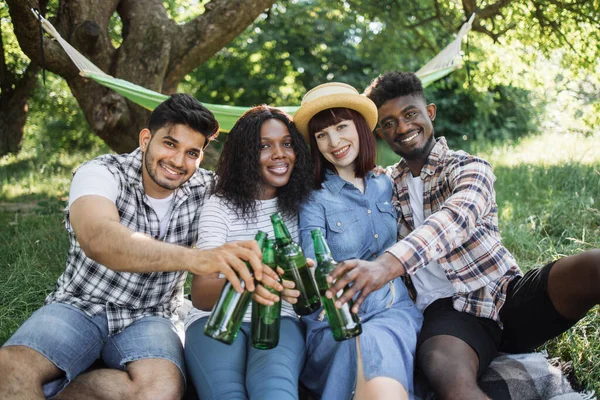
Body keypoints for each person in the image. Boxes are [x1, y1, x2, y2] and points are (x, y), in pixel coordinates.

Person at [323, 71, 600, 399]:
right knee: (447, 375)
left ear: (431, 112)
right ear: (380, 133)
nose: (402, 127)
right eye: (389, 123)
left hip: (502, 293)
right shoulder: (383, 185)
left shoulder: (470, 167)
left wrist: (386, 266)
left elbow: (455, 219)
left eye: (410, 114)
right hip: (448, 315)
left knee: (593, 266)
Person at [0, 94, 279, 400]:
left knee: (160, 392)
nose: (177, 161)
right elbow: (100, 238)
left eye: (192, 153)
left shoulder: (208, 189)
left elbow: (264, 190)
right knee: (10, 368)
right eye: (169, 144)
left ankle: (72, 385)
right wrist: (197, 260)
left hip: (154, 315)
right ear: (146, 139)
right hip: (80, 304)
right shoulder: (101, 172)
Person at [293, 82, 423, 400]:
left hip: (391, 309)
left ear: (360, 128)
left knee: (380, 365)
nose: (334, 142)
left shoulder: (387, 182)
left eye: (341, 127)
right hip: (336, 316)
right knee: (357, 359)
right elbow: (314, 266)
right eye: (322, 134)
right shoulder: (313, 199)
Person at [184, 105, 314, 400]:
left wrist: (302, 279)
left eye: (287, 144)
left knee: (274, 391)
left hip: (280, 318)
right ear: (245, 155)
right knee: (226, 394)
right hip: (215, 318)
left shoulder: (302, 206)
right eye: (264, 146)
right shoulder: (220, 206)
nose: (279, 154)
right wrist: (253, 282)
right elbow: (202, 294)